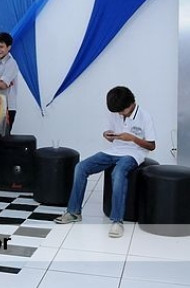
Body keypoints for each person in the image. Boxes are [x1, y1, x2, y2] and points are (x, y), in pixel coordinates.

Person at [55, 86, 156, 238]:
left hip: (133, 154)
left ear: (132, 103)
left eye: (122, 111)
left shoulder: (145, 116)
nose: (120, 114)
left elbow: (152, 146)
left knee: (118, 173)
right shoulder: (115, 113)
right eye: (118, 111)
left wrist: (133, 138)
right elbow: (111, 136)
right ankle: (74, 212)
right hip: (114, 150)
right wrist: (107, 135)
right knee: (81, 167)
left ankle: (117, 221)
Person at [0, 32, 19, 131]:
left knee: (4, 136)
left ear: (8, 47)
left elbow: (2, 85)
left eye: (1, 47)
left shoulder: (11, 63)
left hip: (7, 107)